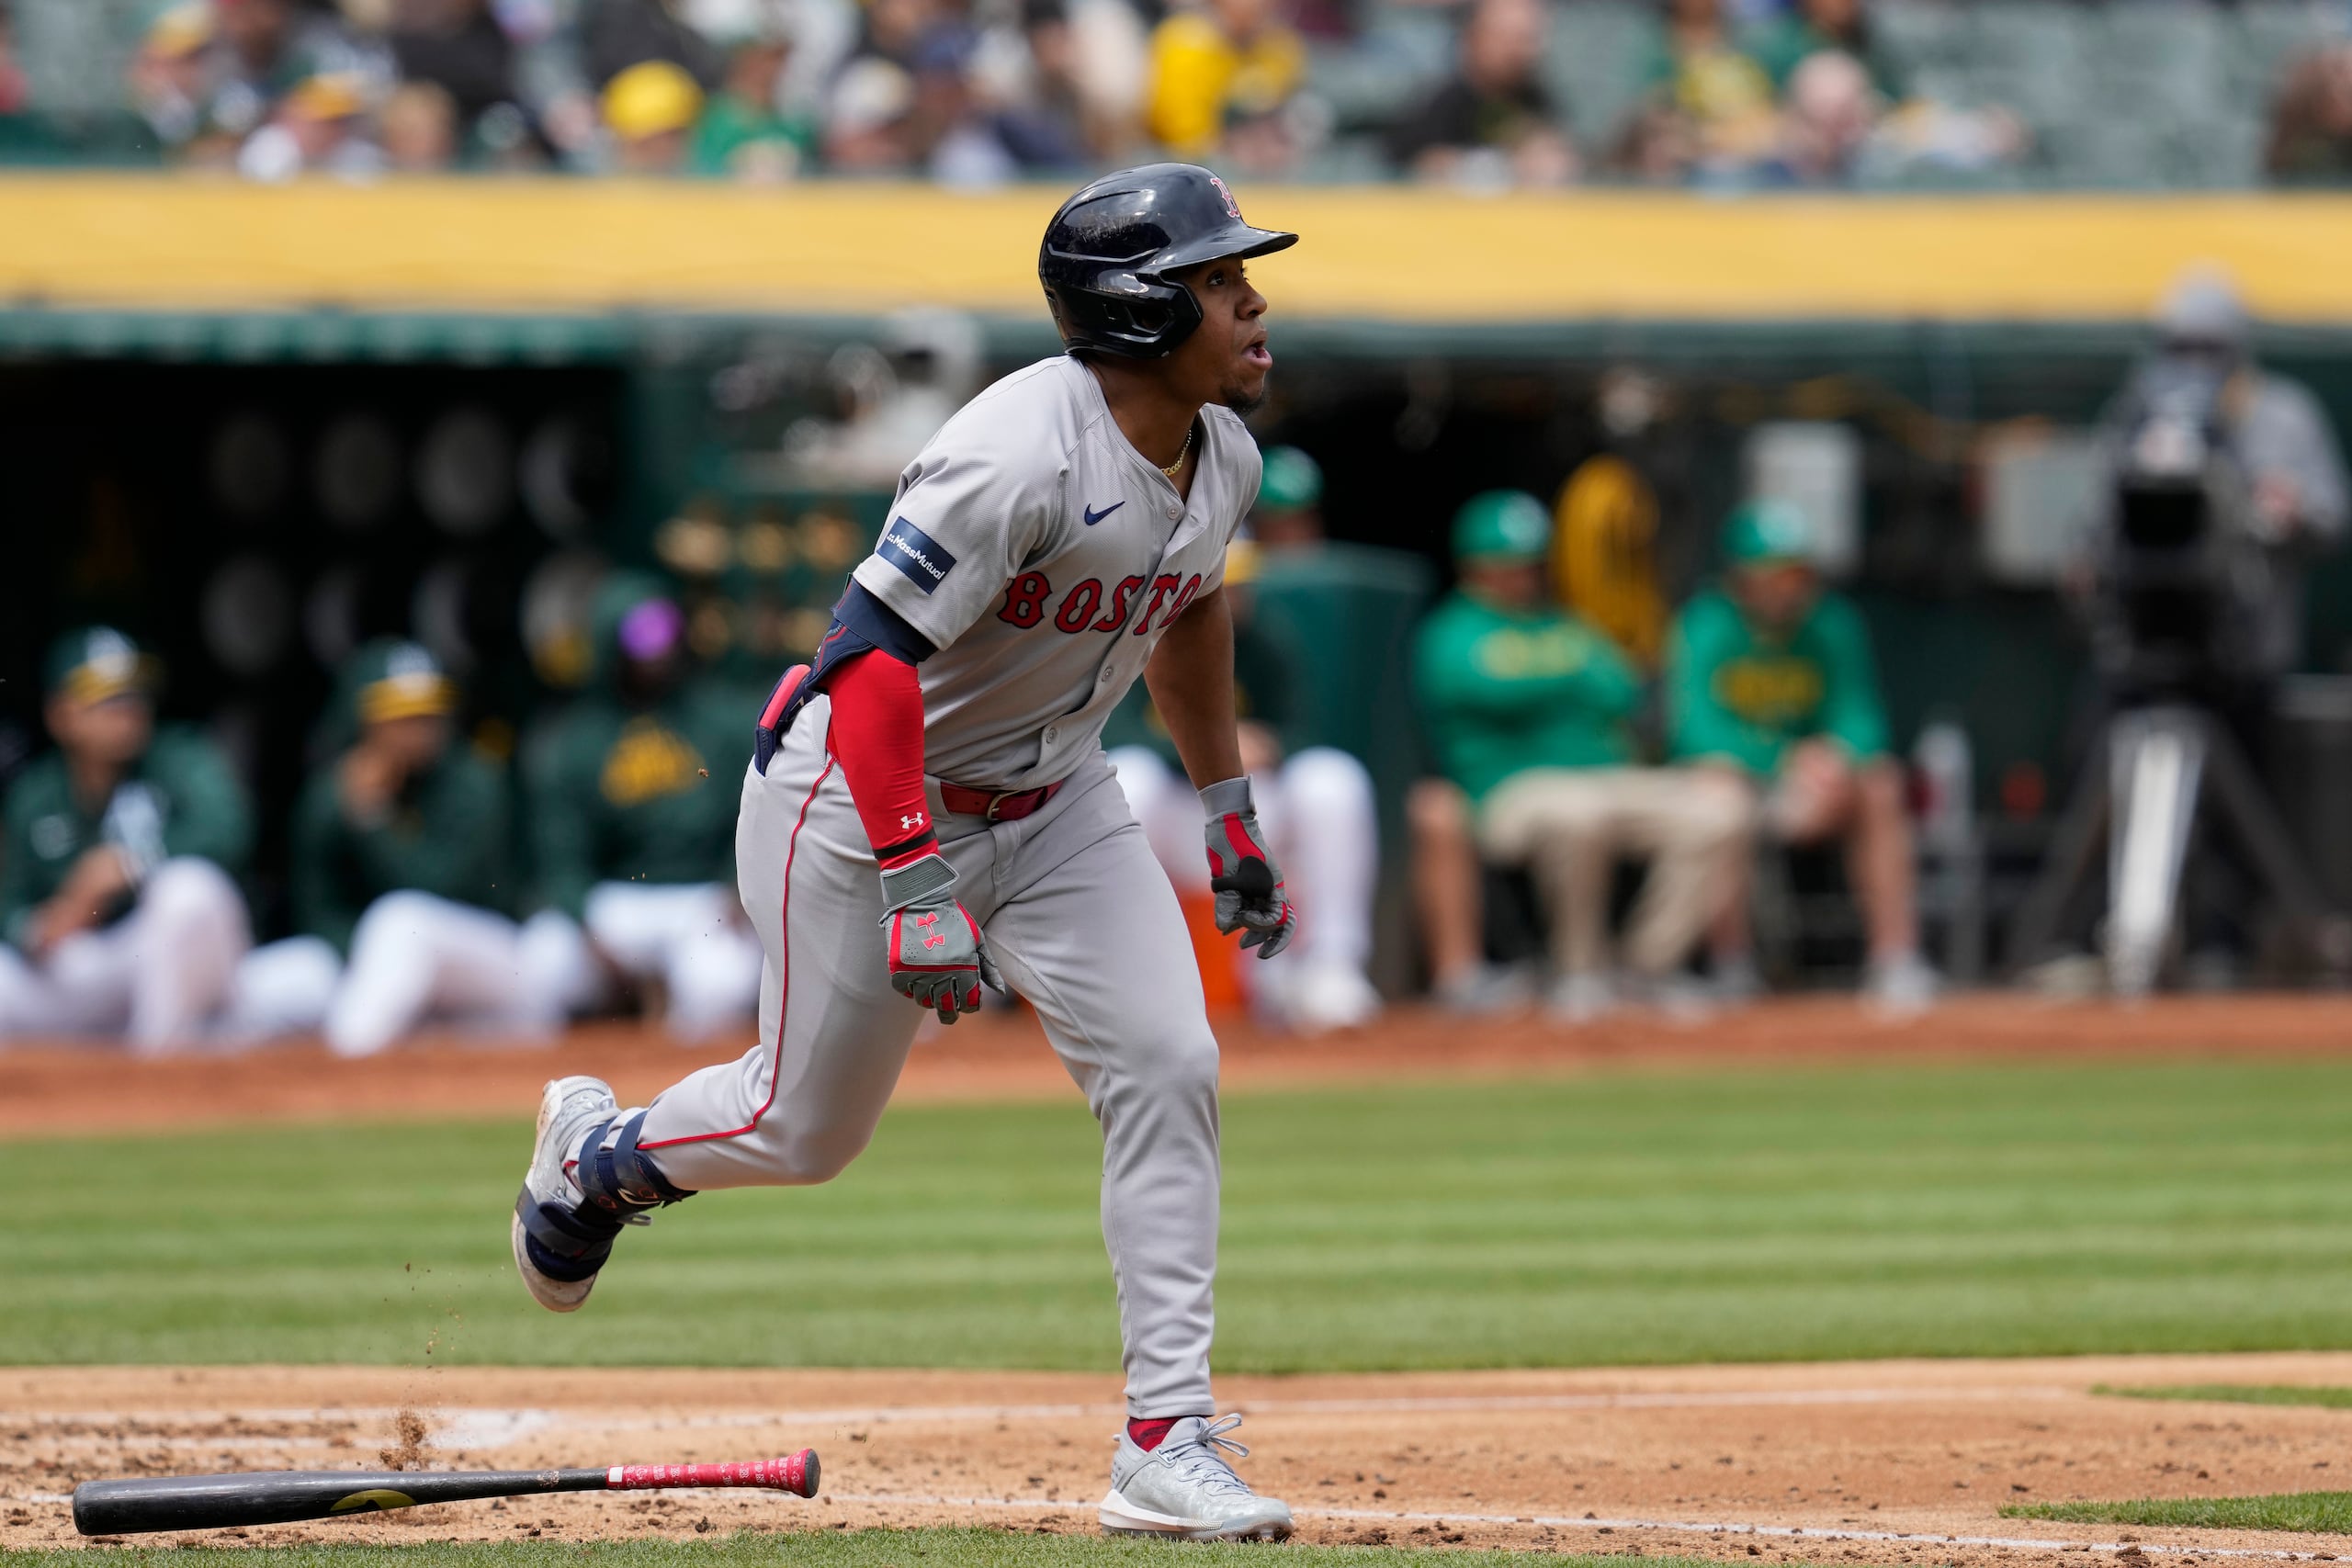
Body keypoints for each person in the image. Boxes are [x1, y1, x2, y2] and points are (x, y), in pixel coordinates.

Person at [510, 163, 1300, 1543]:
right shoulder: (1015, 448)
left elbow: (1185, 617)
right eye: (1219, 281)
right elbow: (865, 661)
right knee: (802, 1127)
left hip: (1057, 794)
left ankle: (1166, 1436)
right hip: (863, 792)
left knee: (1171, 1061)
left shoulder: (1221, 453)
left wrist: (1228, 812)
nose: (1252, 300)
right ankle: (599, 1158)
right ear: (1135, 314)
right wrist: (919, 874)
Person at [1416, 491, 1749, 1021]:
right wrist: (1565, 682)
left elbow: (1623, 690)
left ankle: (1646, 969)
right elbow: (1484, 690)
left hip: (1610, 776)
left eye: (1530, 564)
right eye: (1507, 565)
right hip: (1511, 790)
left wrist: (1542, 684)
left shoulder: (1567, 625)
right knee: (1578, 814)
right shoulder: (1452, 629)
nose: (1521, 576)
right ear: (1475, 568)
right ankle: (1580, 975)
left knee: (1721, 813)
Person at [1665, 500, 1935, 1013]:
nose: (1790, 587)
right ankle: (1731, 966)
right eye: (1775, 576)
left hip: (1812, 788)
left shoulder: (1830, 622)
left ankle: (1895, 959)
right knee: (1715, 789)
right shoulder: (1705, 625)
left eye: (1797, 573)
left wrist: (1836, 756)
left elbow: (1860, 716)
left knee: (1879, 784)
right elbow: (1694, 731)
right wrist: (1784, 758)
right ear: (1742, 579)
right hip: (1742, 782)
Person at [1109, 535, 1382, 1032]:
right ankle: (1126, 973)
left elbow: (1307, 730)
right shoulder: (1134, 637)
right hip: (1174, 810)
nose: (1226, 599)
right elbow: (1114, 735)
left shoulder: (1270, 640)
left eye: (1236, 587)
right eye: (1213, 586)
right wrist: (1215, 746)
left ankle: (1331, 967)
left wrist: (1270, 745)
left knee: (1332, 781)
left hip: (1253, 807)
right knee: (1130, 778)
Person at [232, 641, 549, 1057]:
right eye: (401, 715)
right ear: (365, 718)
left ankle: (350, 1067)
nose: (420, 727)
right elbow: (317, 911)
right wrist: (361, 961)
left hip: (491, 961)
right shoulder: (334, 793)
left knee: (401, 921)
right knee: (254, 989)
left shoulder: (474, 781)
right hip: (374, 972)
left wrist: (374, 822)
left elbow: (444, 888)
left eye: (429, 712)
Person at [519, 573, 763, 1041]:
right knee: (541, 963)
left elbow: (759, 818)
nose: (656, 651)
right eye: (640, 637)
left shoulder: (723, 720)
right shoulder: (573, 739)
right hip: (613, 902)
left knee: (718, 983)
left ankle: (686, 1104)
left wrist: (737, 888)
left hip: (702, 899)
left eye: (664, 634)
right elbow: (558, 857)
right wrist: (582, 920)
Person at [0, 629, 254, 1051]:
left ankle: (163, 1065)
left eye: (131, 694)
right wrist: (37, 927)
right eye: (106, 697)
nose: (126, 709)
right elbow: (9, 900)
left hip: (179, 966)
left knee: (189, 889)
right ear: (61, 714)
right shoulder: (36, 793)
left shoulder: (179, 757)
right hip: (91, 969)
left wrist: (131, 865)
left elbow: (230, 833)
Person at [1385, 0, 1576, 187]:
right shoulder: (1438, 104)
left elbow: (1562, 159)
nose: (1517, 51)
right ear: (1473, 38)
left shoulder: (1538, 100)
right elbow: (1410, 165)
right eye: (1505, 37)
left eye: (1527, 39)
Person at [1145, 0, 1302, 161]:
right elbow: (1184, 137)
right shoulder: (1184, 44)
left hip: (1271, 165)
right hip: (1192, 165)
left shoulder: (1278, 45)